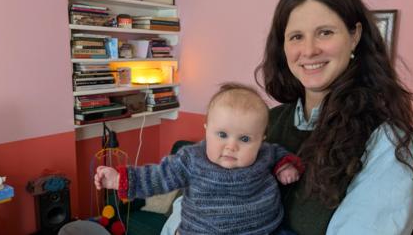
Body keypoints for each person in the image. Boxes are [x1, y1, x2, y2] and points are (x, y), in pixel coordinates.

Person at [162, 0, 413, 235]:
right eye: (296, 36)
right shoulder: (264, 123)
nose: (309, 50)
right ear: (282, 46)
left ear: (354, 35)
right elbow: (190, 199)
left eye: (325, 32)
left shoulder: (389, 143)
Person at [95, 83, 304, 234]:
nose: (231, 146)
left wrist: (285, 167)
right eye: (222, 135)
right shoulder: (191, 159)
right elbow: (158, 177)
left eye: (245, 138)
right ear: (206, 131)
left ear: (261, 140)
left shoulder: (266, 153)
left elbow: (280, 154)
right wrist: (118, 179)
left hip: (266, 228)